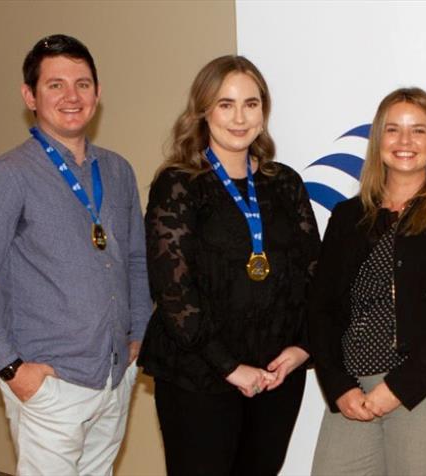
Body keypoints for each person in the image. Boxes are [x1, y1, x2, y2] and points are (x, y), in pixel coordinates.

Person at [0, 34, 151, 475]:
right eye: (55, 85)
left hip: (114, 376)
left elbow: (136, 259)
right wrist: (13, 369)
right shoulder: (5, 177)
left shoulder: (117, 170)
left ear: (98, 92)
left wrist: (137, 335)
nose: (72, 96)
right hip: (50, 383)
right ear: (30, 96)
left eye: (82, 83)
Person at [137, 55, 320, 476]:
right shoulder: (179, 184)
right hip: (199, 378)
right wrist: (230, 367)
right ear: (203, 110)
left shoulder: (285, 183)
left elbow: (314, 273)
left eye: (251, 104)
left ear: (263, 111)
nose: (240, 117)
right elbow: (172, 292)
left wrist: (302, 348)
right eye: (226, 104)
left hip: (277, 376)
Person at [309, 87, 426, 476]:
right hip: (352, 393)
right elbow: (320, 311)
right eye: (393, 129)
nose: (405, 141)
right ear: (378, 142)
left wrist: (398, 389)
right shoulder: (346, 217)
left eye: (418, 130)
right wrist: (339, 387)